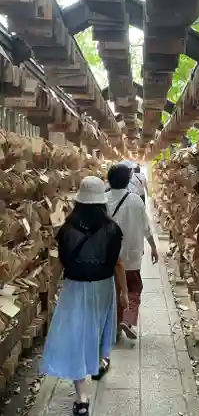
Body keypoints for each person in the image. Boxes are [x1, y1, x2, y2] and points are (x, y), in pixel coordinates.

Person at [41, 177, 128, 416]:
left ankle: (82, 398)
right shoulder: (112, 229)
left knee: (76, 336)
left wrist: (51, 291)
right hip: (103, 287)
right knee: (96, 331)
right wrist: (124, 294)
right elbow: (119, 264)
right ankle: (97, 364)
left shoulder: (67, 229)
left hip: (74, 288)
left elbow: (58, 264)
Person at [106, 164, 158, 340]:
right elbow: (146, 227)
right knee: (133, 288)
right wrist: (153, 247)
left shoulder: (103, 200)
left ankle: (114, 325)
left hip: (109, 256)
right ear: (128, 180)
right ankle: (127, 320)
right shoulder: (136, 200)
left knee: (115, 289)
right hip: (132, 254)